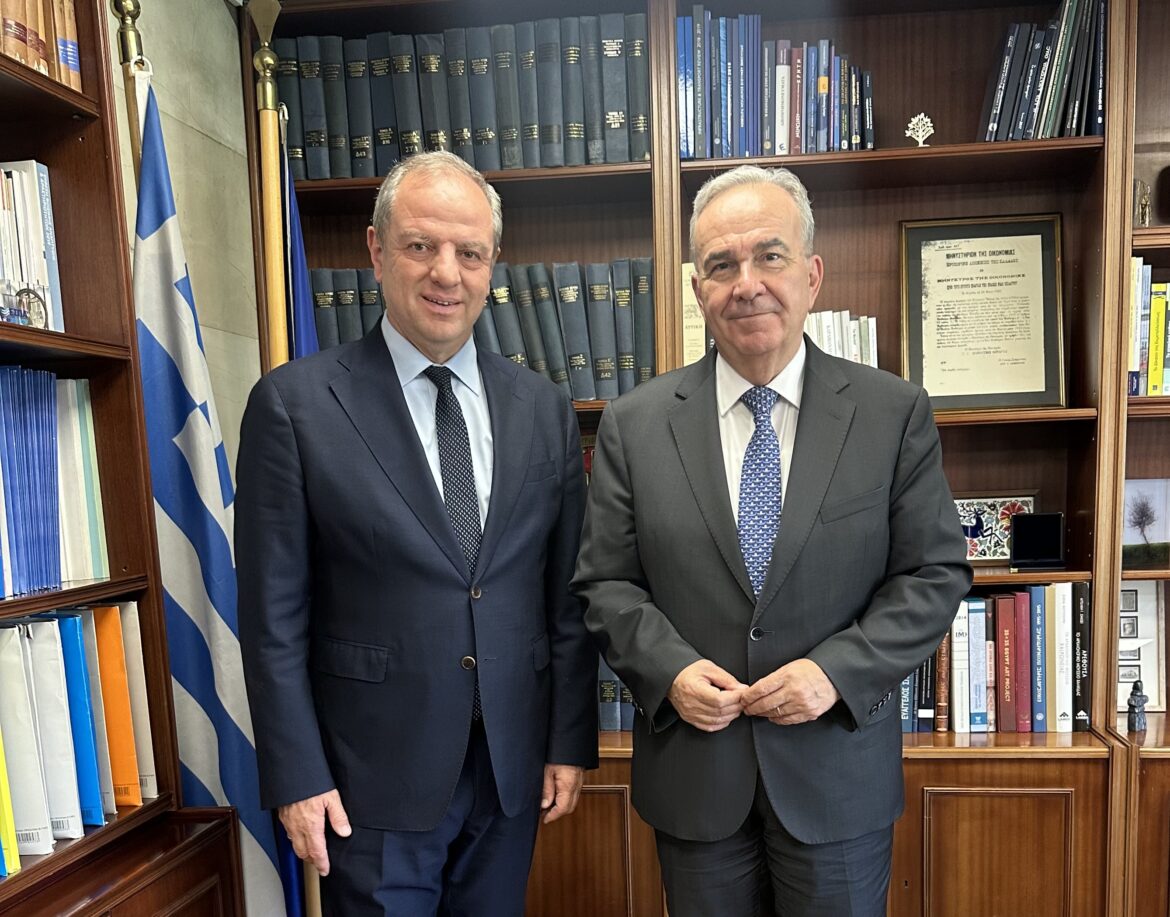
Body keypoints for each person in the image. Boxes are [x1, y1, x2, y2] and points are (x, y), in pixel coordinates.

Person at [573, 164, 973, 916]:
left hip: (836, 779)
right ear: (698, 289)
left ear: (812, 275)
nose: (746, 284)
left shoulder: (891, 413)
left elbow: (934, 573)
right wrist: (670, 672)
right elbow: (605, 582)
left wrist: (835, 672)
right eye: (722, 265)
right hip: (695, 783)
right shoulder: (634, 424)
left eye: (769, 256)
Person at [236, 150, 597, 916]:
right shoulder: (295, 407)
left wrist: (567, 739)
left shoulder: (542, 409)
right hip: (369, 780)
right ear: (376, 251)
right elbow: (272, 619)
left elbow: (565, 597)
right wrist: (297, 774)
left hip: (510, 770)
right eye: (421, 245)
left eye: (469, 253)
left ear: (492, 264)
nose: (446, 273)